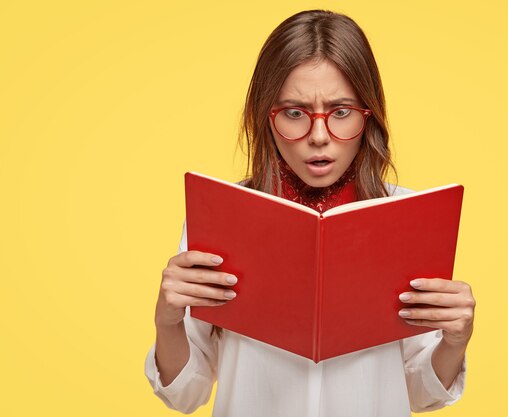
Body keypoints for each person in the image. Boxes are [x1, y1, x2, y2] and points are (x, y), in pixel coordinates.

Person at [145, 9, 475, 417]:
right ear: (266, 116)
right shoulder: (224, 216)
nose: (319, 137)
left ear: (367, 114)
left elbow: (422, 394)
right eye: (295, 113)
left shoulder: (408, 216)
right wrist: (168, 322)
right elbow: (184, 394)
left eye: (340, 112)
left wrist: (454, 342)